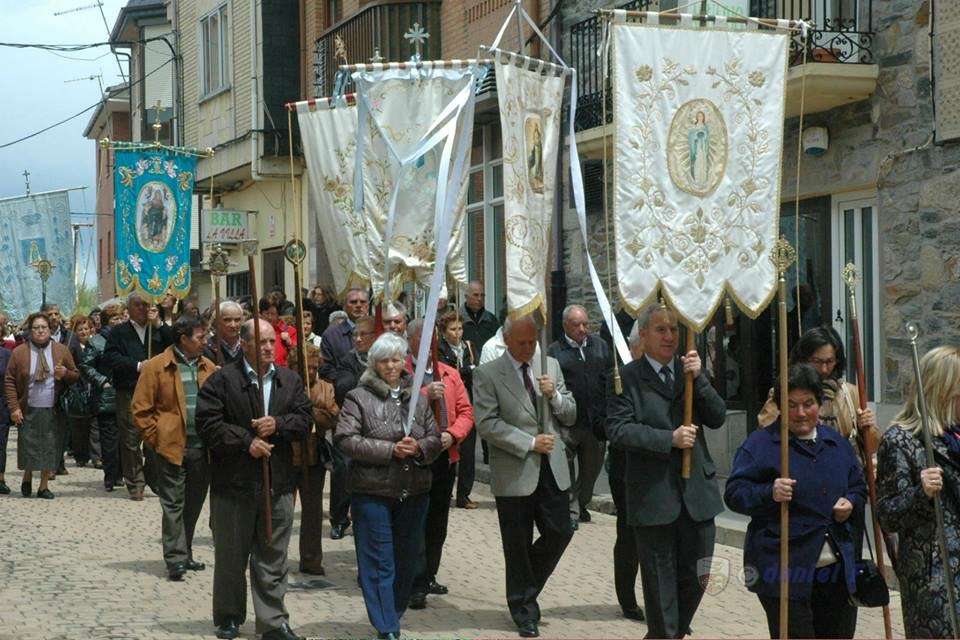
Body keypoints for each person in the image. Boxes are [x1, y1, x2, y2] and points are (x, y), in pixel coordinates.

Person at [605, 304, 727, 639]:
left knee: (699, 574)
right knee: (660, 588)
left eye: (674, 329)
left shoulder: (690, 373)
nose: (670, 336)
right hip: (654, 496)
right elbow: (619, 430)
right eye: (661, 329)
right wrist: (668, 439)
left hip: (697, 495)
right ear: (643, 335)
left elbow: (717, 416)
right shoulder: (627, 377)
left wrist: (700, 379)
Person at [725, 363, 866, 638]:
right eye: (791, 405)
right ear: (779, 406)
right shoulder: (761, 445)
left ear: (820, 404)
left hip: (836, 572)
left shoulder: (836, 444)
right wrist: (770, 492)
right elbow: (734, 493)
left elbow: (859, 487)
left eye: (808, 404)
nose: (800, 413)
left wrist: (850, 502)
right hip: (784, 571)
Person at [196, 319, 312, 640]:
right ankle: (229, 616)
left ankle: (273, 622)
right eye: (261, 341)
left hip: (278, 483)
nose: (268, 347)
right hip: (234, 485)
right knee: (231, 557)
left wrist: (279, 424)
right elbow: (207, 424)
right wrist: (246, 441)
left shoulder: (290, 380)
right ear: (244, 343)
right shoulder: (223, 380)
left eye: (271, 340)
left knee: (273, 558)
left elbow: (305, 419)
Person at [473, 315, 576, 638]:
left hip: (552, 468)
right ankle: (523, 610)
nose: (529, 348)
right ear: (506, 340)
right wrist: (529, 443)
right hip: (515, 470)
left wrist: (555, 396)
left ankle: (524, 585)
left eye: (533, 342)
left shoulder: (550, 366)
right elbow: (487, 424)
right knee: (516, 543)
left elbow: (571, 413)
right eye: (522, 343)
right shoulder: (488, 374)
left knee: (561, 531)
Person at [334, 332, 442, 640]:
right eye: (384, 361)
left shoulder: (417, 398)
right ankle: (387, 626)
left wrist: (419, 448)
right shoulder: (358, 397)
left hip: (413, 491)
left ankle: (392, 612)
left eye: (396, 359)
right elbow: (346, 439)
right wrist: (390, 450)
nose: (391, 366)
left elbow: (435, 438)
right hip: (373, 492)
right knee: (379, 560)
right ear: (374, 364)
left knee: (406, 560)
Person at [877, 345, 960, 639]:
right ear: (942, 390)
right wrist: (920, 492)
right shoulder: (901, 440)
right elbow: (888, 516)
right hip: (934, 579)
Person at [132, 316, 215, 582]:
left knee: (193, 503)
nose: (205, 341)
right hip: (170, 449)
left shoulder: (209, 367)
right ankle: (175, 559)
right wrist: (157, 439)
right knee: (173, 504)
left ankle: (185, 551)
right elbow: (140, 409)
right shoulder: (156, 366)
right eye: (200, 337)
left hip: (201, 449)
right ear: (183, 339)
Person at [406, 319, 475, 609]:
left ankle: (430, 573)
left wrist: (453, 434)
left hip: (445, 456)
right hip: (416, 456)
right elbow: (395, 406)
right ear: (411, 341)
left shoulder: (449, 373)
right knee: (417, 519)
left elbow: (466, 411)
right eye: (423, 338)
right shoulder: (401, 371)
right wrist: (423, 394)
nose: (430, 344)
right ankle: (416, 581)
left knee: (438, 520)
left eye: (433, 338)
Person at [758, 325, 877, 450]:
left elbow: (872, 448)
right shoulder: (785, 392)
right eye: (817, 361)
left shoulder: (850, 393)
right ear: (803, 360)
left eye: (829, 361)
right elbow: (765, 437)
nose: (824, 369)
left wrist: (867, 428)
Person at [102, 293, 173, 501]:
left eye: (145, 304)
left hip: (157, 391)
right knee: (130, 438)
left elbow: (175, 344)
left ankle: (154, 477)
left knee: (155, 435)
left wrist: (159, 324)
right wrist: (138, 366)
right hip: (129, 389)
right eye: (138, 305)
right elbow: (110, 358)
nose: (142, 308)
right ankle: (135, 482)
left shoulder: (157, 329)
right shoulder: (119, 332)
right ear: (129, 308)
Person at [4, 312, 79, 499]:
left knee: (49, 447)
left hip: (53, 408)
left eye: (43, 327)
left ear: (50, 330)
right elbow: (10, 380)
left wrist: (65, 373)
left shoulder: (61, 350)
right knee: (29, 445)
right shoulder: (19, 352)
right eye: (36, 328)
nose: (40, 331)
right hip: (27, 407)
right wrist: (14, 407)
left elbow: (76, 375)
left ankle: (44, 486)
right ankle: (27, 475)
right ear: (30, 330)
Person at [547, 304, 610, 529]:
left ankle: (582, 503)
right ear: (565, 325)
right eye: (577, 325)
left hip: (595, 423)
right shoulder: (554, 351)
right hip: (568, 423)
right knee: (566, 469)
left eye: (585, 324)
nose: (583, 329)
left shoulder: (600, 346)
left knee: (591, 471)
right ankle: (571, 511)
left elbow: (609, 378)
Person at [287, 342, 339, 575]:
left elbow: (333, 417)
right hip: (288, 456)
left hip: (314, 457)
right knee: (282, 511)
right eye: (304, 367)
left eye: (313, 367)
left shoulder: (326, 387)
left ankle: (310, 559)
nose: (309, 372)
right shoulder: (284, 386)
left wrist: (313, 410)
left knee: (313, 512)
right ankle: (275, 557)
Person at [329, 314, 378, 540]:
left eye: (363, 334)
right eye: (355, 335)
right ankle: (339, 518)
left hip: (377, 423)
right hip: (350, 421)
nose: (357, 339)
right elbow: (343, 387)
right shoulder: (348, 360)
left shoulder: (383, 359)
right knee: (343, 466)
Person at [608, 325, 645, 622]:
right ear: (633, 347)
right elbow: (610, 424)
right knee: (630, 535)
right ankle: (627, 598)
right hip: (626, 468)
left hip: (660, 468)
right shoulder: (620, 377)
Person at [437, 309, 480, 509]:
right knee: (452, 450)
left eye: (460, 328)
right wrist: (466, 370)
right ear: (444, 331)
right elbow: (447, 372)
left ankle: (464, 494)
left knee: (468, 453)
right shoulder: (440, 349)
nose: (457, 333)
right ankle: (446, 489)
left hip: (468, 400)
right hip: (448, 402)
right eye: (453, 329)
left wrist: (468, 370)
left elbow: (476, 370)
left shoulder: (469, 347)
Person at [78, 311, 122, 492]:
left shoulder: (126, 338)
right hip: (106, 398)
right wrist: (102, 381)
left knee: (124, 439)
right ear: (106, 321)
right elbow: (85, 366)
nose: (119, 321)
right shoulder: (96, 342)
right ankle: (110, 476)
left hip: (125, 395)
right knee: (109, 441)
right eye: (115, 318)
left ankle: (122, 474)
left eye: (121, 317)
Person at [65, 314, 97, 468]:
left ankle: (96, 455)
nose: (84, 332)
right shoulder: (72, 346)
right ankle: (81, 455)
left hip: (94, 387)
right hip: (78, 388)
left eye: (86, 329)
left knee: (94, 423)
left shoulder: (96, 345)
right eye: (80, 329)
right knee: (79, 424)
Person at [320, 287, 369, 381]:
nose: (358, 305)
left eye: (363, 302)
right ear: (344, 307)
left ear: (368, 306)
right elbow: (325, 368)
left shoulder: (378, 332)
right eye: (353, 302)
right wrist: (346, 381)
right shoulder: (331, 334)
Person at [462, 280, 499, 353]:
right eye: (476, 295)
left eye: (482, 295)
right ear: (466, 296)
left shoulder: (491, 319)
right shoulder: (457, 319)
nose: (479, 299)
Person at [203, 301, 245, 365]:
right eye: (227, 320)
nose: (233, 325)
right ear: (216, 321)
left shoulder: (248, 345)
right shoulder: (206, 348)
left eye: (237, 320)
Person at [259, 298, 295, 368]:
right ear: (260, 314)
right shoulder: (254, 331)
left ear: (278, 315)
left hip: (283, 371)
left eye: (273, 314)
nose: (269, 317)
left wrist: (290, 343)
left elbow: (298, 355)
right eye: (266, 313)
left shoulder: (290, 331)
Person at [0, 343, 10, 494]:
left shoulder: (6, 355)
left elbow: (11, 381)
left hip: (1, 405)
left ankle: (0, 478)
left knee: (1, 443)